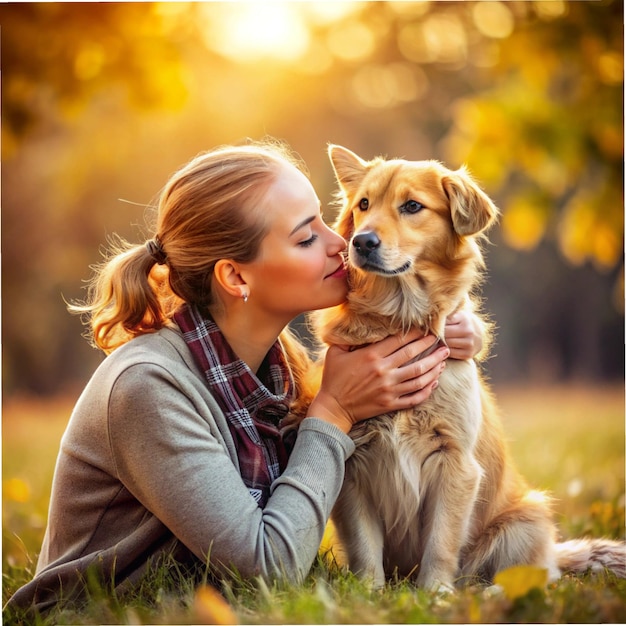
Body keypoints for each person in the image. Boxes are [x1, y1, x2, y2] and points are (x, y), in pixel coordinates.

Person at [6, 139, 483, 614]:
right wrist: (333, 412)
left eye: (324, 218)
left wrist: (454, 326)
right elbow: (268, 569)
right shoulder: (147, 387)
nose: (342, 239)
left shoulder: (279, 366)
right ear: (236, 278)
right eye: (306, 237)